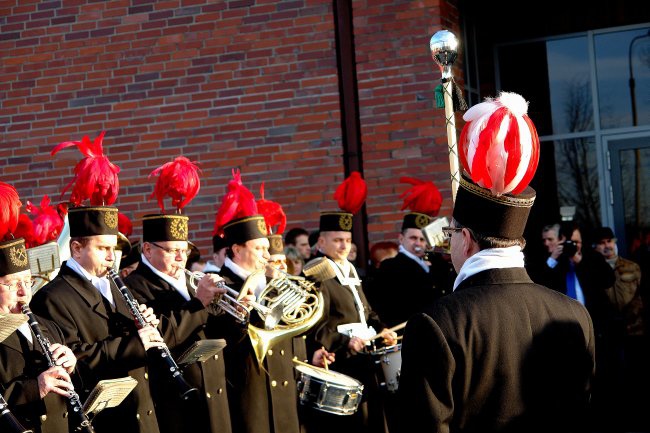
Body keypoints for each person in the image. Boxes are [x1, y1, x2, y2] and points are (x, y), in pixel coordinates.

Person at [398, 92, 596, 433]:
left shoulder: (436, 324)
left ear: (468, 238)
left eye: (452, 232)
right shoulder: (576, 314)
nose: (450, 240)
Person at [30, 206, 164, 433]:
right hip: (107, 419)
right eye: (103, 248)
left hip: (142, 410)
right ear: (76, 248)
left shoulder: (114, 284)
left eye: (113, 248)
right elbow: (76, 358)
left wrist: (142, 325)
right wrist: (135, 343)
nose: (112, 257)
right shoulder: (52, 296)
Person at [306, 171, 397, 433]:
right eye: (337, 240)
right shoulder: (316, 274)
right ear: (321, 242)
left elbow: (364, 311)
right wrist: (345, 342)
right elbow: (316, 324)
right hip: (341, 362)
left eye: (347, 240)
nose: (344, 246)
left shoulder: (350, 270)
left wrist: (382, 330)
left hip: (364, 358)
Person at [214, 170, 303, 433]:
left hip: (284, 391)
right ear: (237, 249)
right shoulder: (220, 286)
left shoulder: (273, 280)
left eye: (267, 248)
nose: (268, 255)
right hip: (249, 392)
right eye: (259, 249)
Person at [0, 182, 78, 433]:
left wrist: (71, 364)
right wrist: (36, 387)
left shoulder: (46, 325)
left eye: (27, 281)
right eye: (12, 285)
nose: (25, 292)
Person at [369, 177, 454, 328]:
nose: (418, 243)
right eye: (413, 238)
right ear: (401, 239)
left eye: (422, 239)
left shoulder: (437, 262)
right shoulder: (390, 267)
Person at [593, 226, 648, 431]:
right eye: (602, 243)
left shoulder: (632, 267)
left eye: (610, 241)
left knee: (637, 375)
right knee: (616, 377)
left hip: (635, 330)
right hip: (610, 333)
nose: (607, 246)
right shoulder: (595, 270)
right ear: (596, 247)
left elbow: (640, 297)